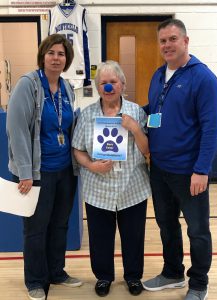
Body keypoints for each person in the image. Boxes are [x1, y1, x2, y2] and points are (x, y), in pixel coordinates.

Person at [142, 19, 217, 300]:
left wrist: (202, 170)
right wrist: (124, 116)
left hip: (190, 172)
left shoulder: (203, 78)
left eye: (173, 39)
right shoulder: (157, 75)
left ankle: (199, 282)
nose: (167, 45)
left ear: (186, 41)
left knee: (198, 230)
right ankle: (173, 272)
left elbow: (212, 128)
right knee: (166, 225)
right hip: (160, 169)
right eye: (163, 41)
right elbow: (154, 111)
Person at [6, 34, 82, 300]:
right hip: (38, 174)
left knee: (60, 224)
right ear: (43, 55)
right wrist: (25, 172)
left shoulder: (67, 88)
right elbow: (16, 130)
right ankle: (36, 281)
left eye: (61, 54)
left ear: (67, 60)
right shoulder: (28, 84)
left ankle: (57, 271)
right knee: (36, 229)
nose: (56, 58)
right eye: (51, 53)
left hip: (64, 171)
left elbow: (71, 125)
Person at [72, 60, 151, 297]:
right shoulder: (87, 115)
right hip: (98, 190)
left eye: (113, 82)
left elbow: (147, 150)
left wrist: (135, 128)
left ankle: (133, 277)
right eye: (103, 83)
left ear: (122, 85)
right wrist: (91, 165)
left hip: (132, 187)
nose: (108, 87)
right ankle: (104, 277)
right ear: (98, 88)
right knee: (100, 237)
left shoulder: (137, 111)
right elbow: (77, 149)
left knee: (133, 236)